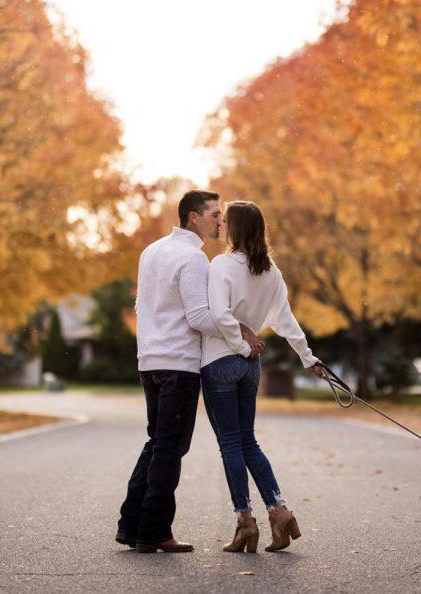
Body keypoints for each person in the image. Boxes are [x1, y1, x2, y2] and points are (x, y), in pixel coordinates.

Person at [116, 190, 264, 554]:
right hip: (179, 364)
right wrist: (241, 332)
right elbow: (199, 317)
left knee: (156, 443)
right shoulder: (193, 258)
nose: (220, 221)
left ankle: (130, 525)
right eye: (214, 214)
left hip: (150, 361)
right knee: (169, 448)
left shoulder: (151, 251)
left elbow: (142, 305)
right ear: (194, 216)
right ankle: (153, 532)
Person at [201, 200, 325, 553]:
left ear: (237, 228)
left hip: (221, 362)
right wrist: (309, 358)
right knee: (248, 442)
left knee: (230, 445)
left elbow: (219, 315)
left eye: (227, 220)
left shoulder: (221, 265)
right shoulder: (270, 270)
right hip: (249, 366)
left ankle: (245, 522)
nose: (221, 224)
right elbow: (288, 321)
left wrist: (239, 347)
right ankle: (280, 512)